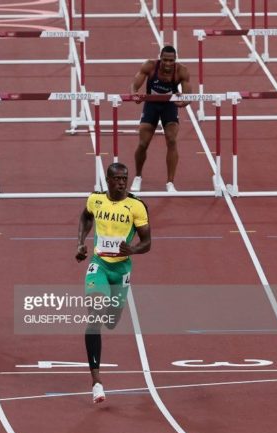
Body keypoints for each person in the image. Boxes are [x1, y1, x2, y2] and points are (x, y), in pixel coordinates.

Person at [76, 163, 151, 403]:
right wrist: (80, 242)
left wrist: (134, 249)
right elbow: (85, 217)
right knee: (95, 314)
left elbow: (147, 242)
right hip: (99, 265)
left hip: (121, 270)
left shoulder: (136, 206)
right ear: (107, 180)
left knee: (110, 321)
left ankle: (110, 309)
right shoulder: (96, 200)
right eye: (117, 179)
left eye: (125, 179)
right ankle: (96, 381)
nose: (122, 182)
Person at [129, 45, 191, 193]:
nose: (168, 64)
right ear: (160, 58)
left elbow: (189, 95)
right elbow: (134, 85)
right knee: (143, 143)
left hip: (169, 105)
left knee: (171, 140)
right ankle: (138, 177)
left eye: (171, 60)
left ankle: (170, 182)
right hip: (151, 105)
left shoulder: (182, 70)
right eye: (165, 60)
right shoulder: (149, 66)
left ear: (175, 60)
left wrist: (184, 102)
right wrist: (134, 94)